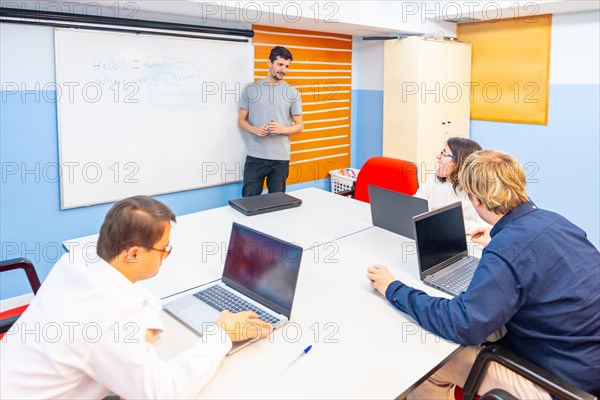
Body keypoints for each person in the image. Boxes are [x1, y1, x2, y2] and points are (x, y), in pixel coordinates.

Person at [367, 150, 600, 399]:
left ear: (476, 200)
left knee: (433, 362)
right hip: (586, 362)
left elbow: (462, 324)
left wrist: (393, 288)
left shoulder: (508, 248)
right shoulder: (556, 222)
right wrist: (499, 241)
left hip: (563, 387)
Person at [0, 196, 271, 399]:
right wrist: (221, 335)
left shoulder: (75, 264)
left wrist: (140, 332)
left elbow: (137, 298)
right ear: (133, 254)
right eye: (163, 249)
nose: (165, 256)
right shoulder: (108, 317)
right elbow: (163, 392)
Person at [238, 45, 304, 197]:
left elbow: (300, 126)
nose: (283, 70)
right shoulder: (251, 89)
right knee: (249, 202)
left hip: (280, 160)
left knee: (277, 204)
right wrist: (254, 129)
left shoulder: (292, 92)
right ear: (269, 63)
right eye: (280, 64)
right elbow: (241, 120)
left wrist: (282, 129)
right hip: (255, 157)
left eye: (287, 66)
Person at [414, 137, 489, 234]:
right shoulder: (433, 178)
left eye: (444, 154)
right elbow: (415, 206)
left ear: (460, 162)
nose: (438, 156)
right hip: (431, 233)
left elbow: (486, 227)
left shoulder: (479, 191)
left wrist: (453, 222)